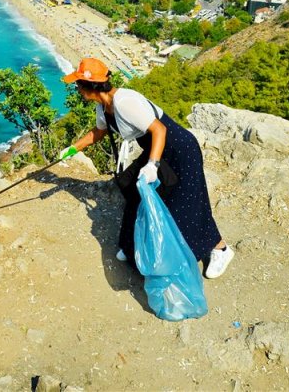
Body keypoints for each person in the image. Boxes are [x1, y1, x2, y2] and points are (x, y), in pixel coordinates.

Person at [59, 58, 234, 278]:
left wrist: (152, 165)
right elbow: (99, 132)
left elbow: (159, 130)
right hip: (156, 148)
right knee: (134, 192)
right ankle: (133, 247)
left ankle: (220, 248)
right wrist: (72, 149)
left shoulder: (125, 102)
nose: (77, 89)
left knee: (187, 202)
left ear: (89, 86)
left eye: (78, 84)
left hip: (179, 149)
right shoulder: (102, 107)